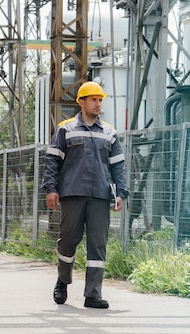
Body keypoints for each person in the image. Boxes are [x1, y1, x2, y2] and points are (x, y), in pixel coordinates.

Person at [43, 81, 129, 309]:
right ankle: (63, 280)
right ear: (81, 102)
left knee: (98, 244)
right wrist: (51, 189)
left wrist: (121, 192)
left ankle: (93, 294)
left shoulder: (109, 133)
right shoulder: (66, 128)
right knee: (69, 240)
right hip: (73, 193)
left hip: (100, 195)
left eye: (100, 100)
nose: (98, 104)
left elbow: (118, 165)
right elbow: (52, 160)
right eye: (93, 99)